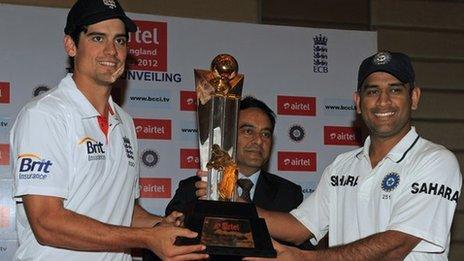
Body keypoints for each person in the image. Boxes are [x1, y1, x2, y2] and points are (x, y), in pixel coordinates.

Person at [10, 0, 208, 260]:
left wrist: (160, 225)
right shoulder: (45, 115)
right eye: (97, 38)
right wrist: (146, 239)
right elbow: (47, 222)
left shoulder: (124, 121)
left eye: (119, 41)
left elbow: (122, 211)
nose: (111, 51)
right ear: (71, 44)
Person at [251, 51, 462, 260]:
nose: (383, 101)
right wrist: (235, 206)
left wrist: (307, 259)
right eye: (372, 92)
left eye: (395, 90)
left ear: (414, 97)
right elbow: (299, 227)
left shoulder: (435, 161)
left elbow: (395, 247)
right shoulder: (341, 166)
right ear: (358, 102)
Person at [166, 96, 303, 216]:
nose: (259, 140)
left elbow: (300, 245)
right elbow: (167, 233)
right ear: (228, 136)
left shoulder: (289, 194)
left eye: (265, 134)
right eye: (248, 131)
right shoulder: (194, 188)